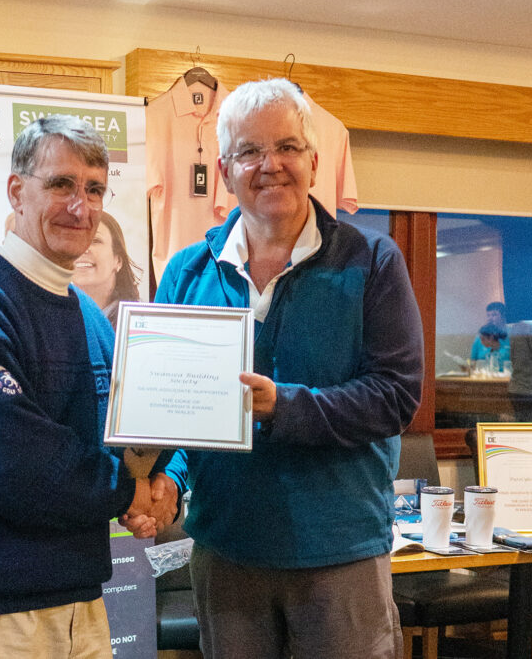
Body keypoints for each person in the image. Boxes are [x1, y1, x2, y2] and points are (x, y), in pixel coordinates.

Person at [143, 78, 424, 659]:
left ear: (314, 161)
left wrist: (283, 406)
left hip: (339, 553)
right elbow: (168, 408)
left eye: (287, 147)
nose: (269, 165)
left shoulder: (372, 261)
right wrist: (166, 474)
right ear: (224, 170)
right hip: (226, 553)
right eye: (249, 151)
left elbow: (396, 397)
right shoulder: (186, 273)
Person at [0, 116, 173, 659]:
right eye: (62, 185)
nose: (81, 207)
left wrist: (163, 483)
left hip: (80, 610)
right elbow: (20, 470)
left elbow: (125, 439)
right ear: (17, 192)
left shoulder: (92, 318)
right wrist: (128, 493)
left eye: (94, 189)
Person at [72, 211, 143, 327]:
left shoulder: (138, 322)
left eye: (95, 241)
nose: (83, 249)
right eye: (76, 240)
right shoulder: (54, 318)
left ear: (118, 260)